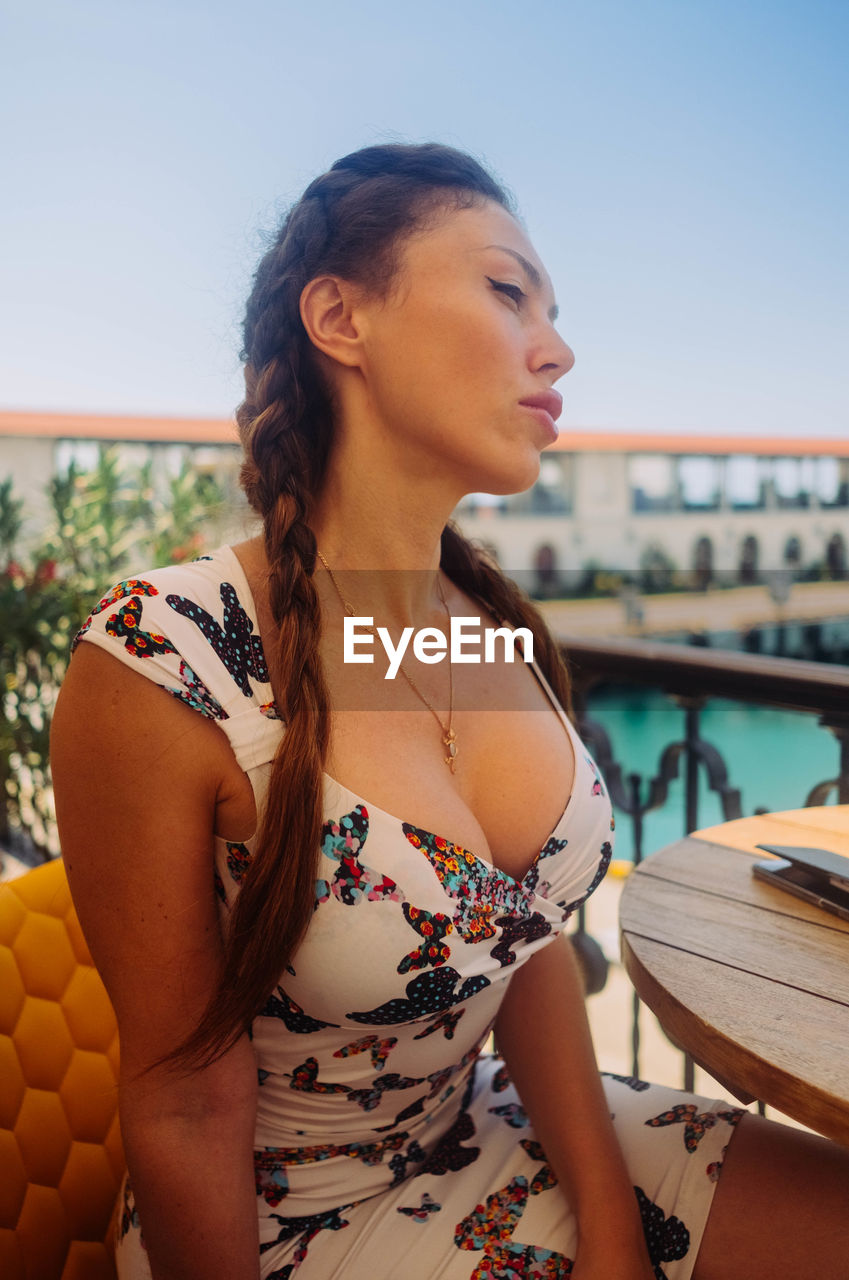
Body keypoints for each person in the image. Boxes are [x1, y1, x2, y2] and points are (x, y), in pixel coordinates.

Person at [51, 142, 849, 1280]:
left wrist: (614, 1229)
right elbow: (184, 1106)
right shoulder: (165, 666)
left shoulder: (466, 619)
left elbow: (523, 948)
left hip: (492, 1123)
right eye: (507, 288)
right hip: (290, 1227)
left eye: (556, 310)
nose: (560, 345)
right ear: (341, 317)